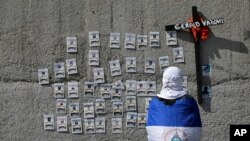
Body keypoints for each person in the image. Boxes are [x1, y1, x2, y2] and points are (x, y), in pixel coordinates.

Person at [146, 66, 202, 141]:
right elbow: (195, 130)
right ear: (179, 80)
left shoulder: (154, 103)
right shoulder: (189, 101)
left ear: (164, 80)